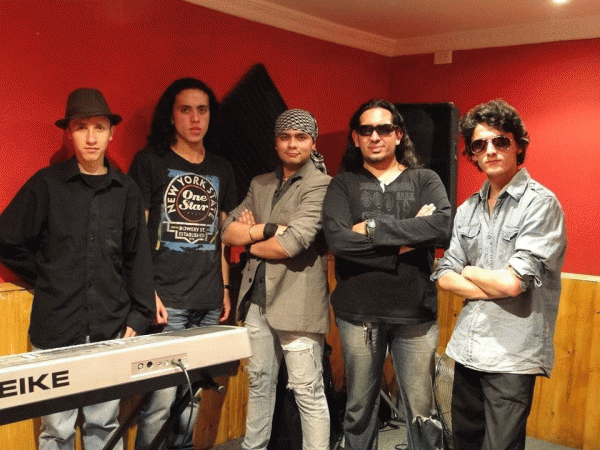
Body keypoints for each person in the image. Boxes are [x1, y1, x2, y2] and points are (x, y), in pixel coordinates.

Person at [0, 88, 155, 450]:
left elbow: (137, 257)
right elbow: (6, 237)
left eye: (99, 127)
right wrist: (45, 274)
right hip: (56, 327)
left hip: (110, 328)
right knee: (57, 430)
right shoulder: (47, 184)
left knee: (105, 424)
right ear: (69, 133)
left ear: (111, 133)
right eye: (81, 127)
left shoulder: (126, 190)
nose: (91, 137)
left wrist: (140, 314)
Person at [431, 99, 567, 450]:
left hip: (512, 354)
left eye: (500, 141)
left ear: (518, 145)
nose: (490, 150)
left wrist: (469, 269)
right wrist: (492, 282)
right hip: (467, 348)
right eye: (479, 145)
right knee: (463, 443)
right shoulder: (467, 208)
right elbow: (443, 275)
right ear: (472, 155)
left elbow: (513, 282)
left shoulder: (541, 204)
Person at [322, 99, 451, 450]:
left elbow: (441, 227)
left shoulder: (425, 179)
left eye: (383, 128)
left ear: (398, 134)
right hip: (358, 313)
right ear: (355, 137)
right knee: (359, 408)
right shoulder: (342, 184)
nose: (375, 136)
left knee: (422, 410)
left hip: (415, 313)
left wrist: (371, 229)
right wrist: (410, 238)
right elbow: (339, 242)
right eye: (366, 130)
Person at [128, 78, 237, 450]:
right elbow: (137, 237)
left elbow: (221, 236)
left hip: (208, 300)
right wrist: (147, 291)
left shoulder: (222, 168)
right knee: (160, 402)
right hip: (167, 300)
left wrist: (224, 288)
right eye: (185, 109)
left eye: (202, 110)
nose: (195, 119)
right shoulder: (150, 162)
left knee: (192, 398)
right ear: (171, 116)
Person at [222, 109, 331, 450]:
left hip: (298, 303)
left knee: (307, 391)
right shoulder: (260, 183)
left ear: (313, 142)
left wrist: (249, 241)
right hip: (257, 300)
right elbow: (226, 230)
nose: (292, 144)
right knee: (259, 383)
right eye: (285, 137)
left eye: (301, 137)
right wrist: (267, 229)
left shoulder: (322, 184)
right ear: (276, 142)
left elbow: (292, 243)